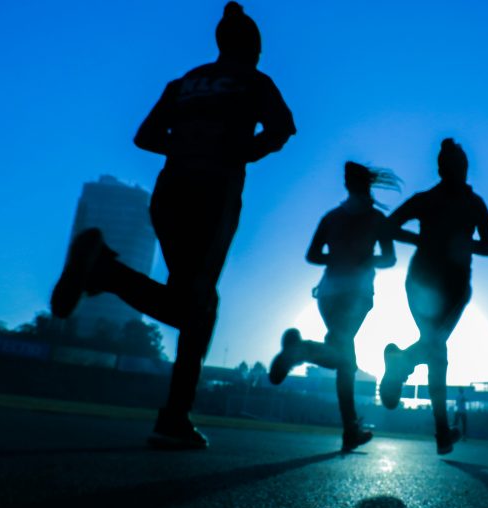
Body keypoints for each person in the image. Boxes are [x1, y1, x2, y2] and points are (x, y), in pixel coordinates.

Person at [50, 2, 295, 449]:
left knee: (196, 301)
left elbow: (143, 136)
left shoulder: (184, 83)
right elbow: (283, 129)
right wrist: (240, 151)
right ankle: (108, 277)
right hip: (213, 193)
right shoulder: (254, 81)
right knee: (197, 303)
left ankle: (174, 413)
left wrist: (184, 146)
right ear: (254, 47)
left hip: (170, 192)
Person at [379, 139, 488, 455]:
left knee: (436, 349)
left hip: (446, 290)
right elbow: (388, 227)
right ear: (449, 169)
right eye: (457, 167)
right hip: (435, 287)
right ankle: (441, 431)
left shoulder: (461, 203)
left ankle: (401, 365)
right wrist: (427, 239)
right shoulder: (446, 201)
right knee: (436, 350)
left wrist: (453, 243)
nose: (460, 172)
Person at [268, 162, 398, 452]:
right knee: (345, 361)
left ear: (347, 186)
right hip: (356, 295)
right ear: (368, 186)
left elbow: (312, 255)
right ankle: (301, 351)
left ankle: (350, 428)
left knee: (345, 361)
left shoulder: (331, 217)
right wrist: (365, 260)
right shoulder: (377, 219)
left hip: (327, 294)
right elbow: (390, 259)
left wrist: (338, 258)